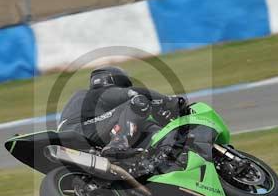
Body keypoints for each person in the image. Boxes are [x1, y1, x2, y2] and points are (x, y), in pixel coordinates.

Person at [58, 66, 187, 157]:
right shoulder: (97, 93)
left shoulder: (92, 101)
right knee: (138, 102)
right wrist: (169, 101)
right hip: (82, 131)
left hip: (78, 134)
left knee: (143, 124)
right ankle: (117, 144)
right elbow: (134, 94)